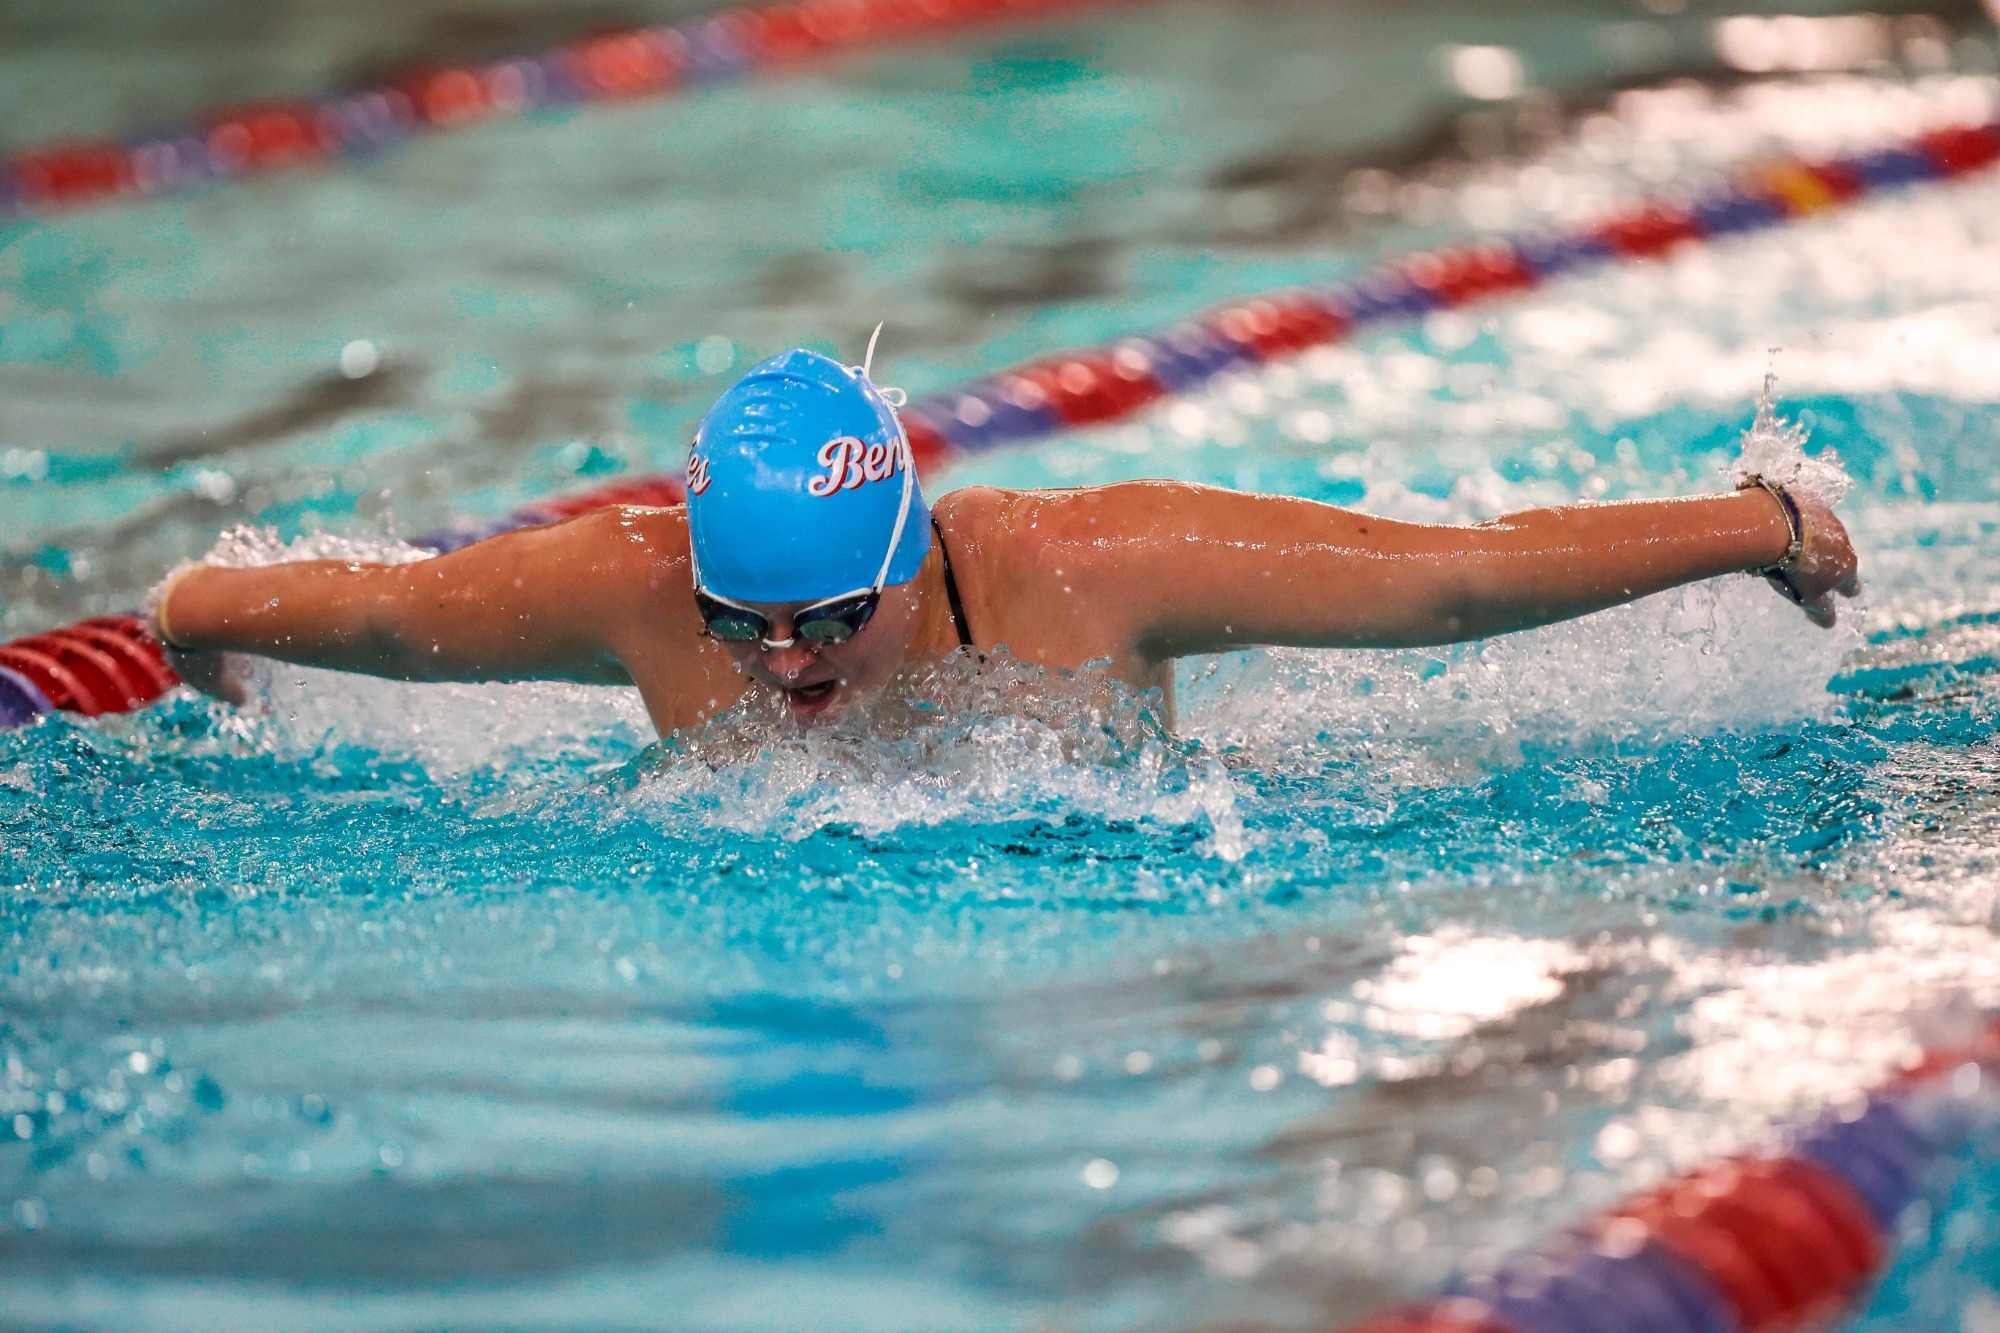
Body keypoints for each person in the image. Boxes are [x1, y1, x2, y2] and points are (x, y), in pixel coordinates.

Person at [154, 348, 1859, 737]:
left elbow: (1450, 576)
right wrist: (190, 624)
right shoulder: (634, 587)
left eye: (829, 615)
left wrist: (1756, 524)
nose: (785, 663)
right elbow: (386, 618)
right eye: (744, 623)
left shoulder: (1094, 568)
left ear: (911, 553)